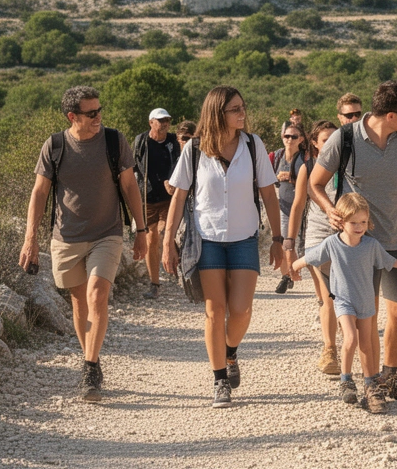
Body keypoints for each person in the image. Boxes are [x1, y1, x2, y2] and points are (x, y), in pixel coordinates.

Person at [308, 81, 397, 405]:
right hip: (358, 245)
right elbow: (315, 184)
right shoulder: (346, 138)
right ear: (391, 114)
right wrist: (330, 211)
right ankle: (370, 384)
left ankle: (390, 376)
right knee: (367, 315)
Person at [20, 86, 150, 402]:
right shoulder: (55, 146)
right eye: (91, 113)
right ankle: (90, 355)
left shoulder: (113, 141)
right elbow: (39, 193)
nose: (98, 117)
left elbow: (130, 185)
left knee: (97, 294)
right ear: (72, 116)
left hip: (107, 233)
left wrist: (141, 229)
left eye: (100, 110)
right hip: (66, 238)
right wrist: (30, 240)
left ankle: (90, 368)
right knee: (79, 303)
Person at [163, 87, 284, 408]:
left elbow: (269, 194)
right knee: (215, 311)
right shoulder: (194, 150)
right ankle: (219, 380)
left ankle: (230, 351)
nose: (242, 113)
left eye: (243, 107)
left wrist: (278, 239)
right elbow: (178, 197)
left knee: (242, 309)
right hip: (207, 239)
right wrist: (167, 242)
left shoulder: (253, 145)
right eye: (235, 109)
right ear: (218, 113)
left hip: (245, 236)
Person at [291, 193, 397, 414]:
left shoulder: (372, 245)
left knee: (366, 345)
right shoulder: (331, 244)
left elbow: (393, 262)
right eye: (353, 222)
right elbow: (310, 258)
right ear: (341, 221)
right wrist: (293, 267)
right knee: (350, 338)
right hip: (343, 301)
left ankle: (370, 384)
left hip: (366, 302)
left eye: (363, 222)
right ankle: (346, 380)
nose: (359, 227)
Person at [286, 120, 341, 374]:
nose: (331, 143)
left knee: (340, 296)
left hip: (349, 237)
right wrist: (289, 244)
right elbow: (298, 206)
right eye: (325, 140)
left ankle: (351, 345)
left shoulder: (350, 165)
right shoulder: (308, 168)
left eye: (335, 138)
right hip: (318, 237)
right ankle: (330, 350)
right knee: (327, 295)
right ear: (316, 145)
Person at [132, 107, 180, 299]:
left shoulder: (173, 141)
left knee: (163, 233)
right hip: (148, 198)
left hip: (170, 198)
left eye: (167, 120)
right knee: (151, 240)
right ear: (151, 122)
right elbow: (133, 167)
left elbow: (179, 164)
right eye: (161, 120)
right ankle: (155, 284)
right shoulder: (141, 141)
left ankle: (177, 271)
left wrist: (173, 181)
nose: (165, 123)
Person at [272, 120, 309, 295]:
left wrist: (290, 177)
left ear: (301, 139)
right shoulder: (278, 156)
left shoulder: (304, 159)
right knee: (282, 242)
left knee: (291, 243)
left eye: (294, 136)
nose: (289, 139)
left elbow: (311, 182)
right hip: (282, 205)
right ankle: (286, 275)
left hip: (301, 208)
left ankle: (289, 275)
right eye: (287, 136)